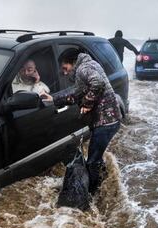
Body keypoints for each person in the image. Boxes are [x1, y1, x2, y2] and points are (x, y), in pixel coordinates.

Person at [41, 52, 122, 193]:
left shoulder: (82, 69)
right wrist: (53, 99)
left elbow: (98, 83)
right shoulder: (91, 64)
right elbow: (76, 94)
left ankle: (92, 194)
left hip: (106, 122)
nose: (64, 72)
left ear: (71, 61)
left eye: (65, 68)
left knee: (92, 161)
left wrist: (87, 104)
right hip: (110, 120)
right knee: (96, 157)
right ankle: (104, 182)